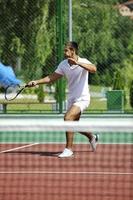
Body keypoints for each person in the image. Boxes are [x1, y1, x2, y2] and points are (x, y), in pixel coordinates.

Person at [27, 41, 99, 158]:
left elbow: (94, 69)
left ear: (73, 51)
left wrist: (78, 63)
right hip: (72, 99)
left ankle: (68, 149)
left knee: (67, 117)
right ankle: (92, 137)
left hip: (83, 98)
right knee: (73, 125)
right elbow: (51, 77)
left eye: (66, 50)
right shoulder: (63, 65)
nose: (64, 52)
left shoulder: (83, 61)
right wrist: (36, 82)